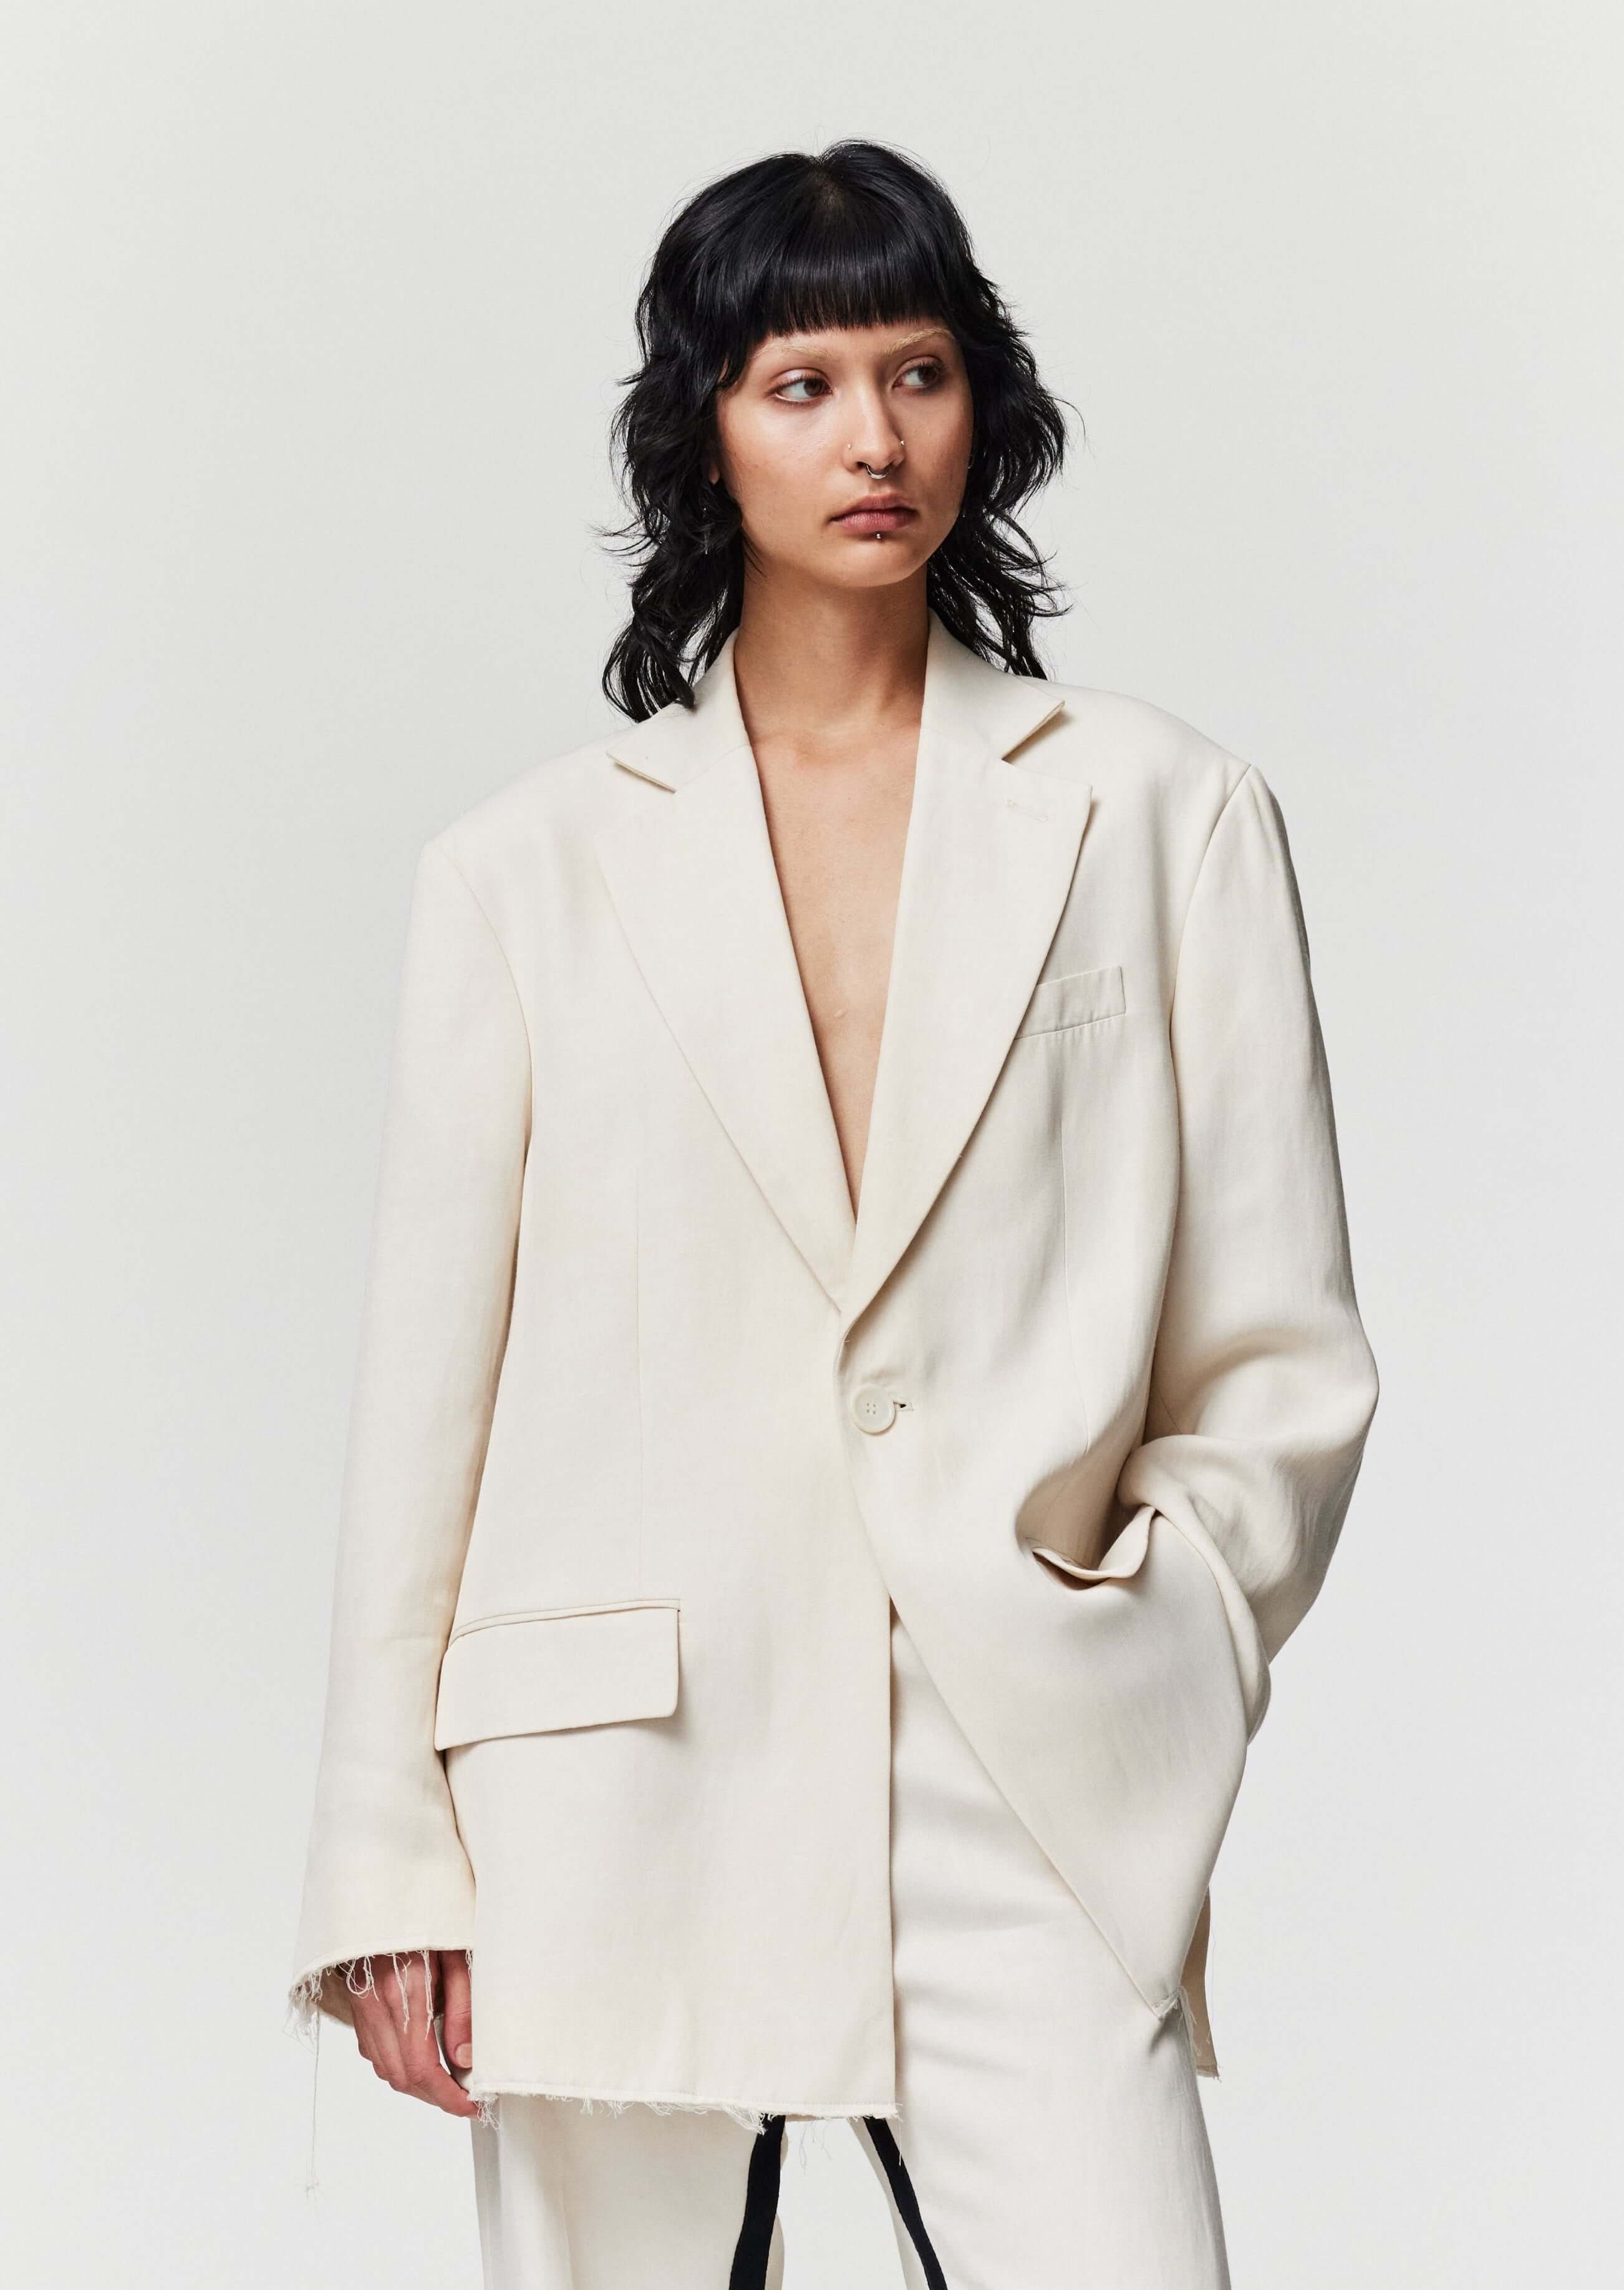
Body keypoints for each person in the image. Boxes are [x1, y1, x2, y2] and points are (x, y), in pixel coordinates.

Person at [289, 139, 1380, 2288]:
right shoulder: (523, 875)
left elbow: (1278, 1353)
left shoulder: (1161, 815)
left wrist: (1148, 1619)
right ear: (702, 432)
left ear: (985, 407)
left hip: (1023, 1756)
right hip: (620, 1785)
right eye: (799, 384)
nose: (872, 438)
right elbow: (427, 1409)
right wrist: (388, 1860)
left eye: (918, 372)